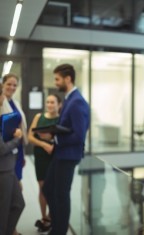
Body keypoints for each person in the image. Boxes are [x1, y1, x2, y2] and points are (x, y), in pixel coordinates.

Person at [42, 64, 90, 235]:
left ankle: (59, 231)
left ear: (68, 79)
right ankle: (57, 226)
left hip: (68, 156)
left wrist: (54, 138)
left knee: (62, 195)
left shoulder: (77, 102)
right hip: (61, 153)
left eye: (57, 79)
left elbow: (78, 136)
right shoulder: (70, 98)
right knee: (48, 189)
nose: (55, 83)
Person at [28, 94, 61, 233]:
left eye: (52, 102)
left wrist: (52, 144)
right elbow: (30, 136)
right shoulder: (38, 117)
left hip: (55, 155)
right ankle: (44, 218)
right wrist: (43, 144)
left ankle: (52, 216)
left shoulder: (61, 119)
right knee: (42, 187)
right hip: (41, 155)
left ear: (59, 104)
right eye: (47, 102)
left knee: (54, 188)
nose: (49, 105)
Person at [0, 82, 25, 235]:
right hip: (2, 170)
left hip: (8, 167)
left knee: (18, 204)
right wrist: (17, 139)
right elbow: (1, 149)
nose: (3, 98)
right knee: (3, 211)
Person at [1, 73, 28, 187]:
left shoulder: (15, 102)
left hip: (18, 147)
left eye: (14, 85)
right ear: (3, 84)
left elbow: (21, 126)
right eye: (9, 84)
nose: (12, 87)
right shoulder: (1, 102)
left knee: (17, 182)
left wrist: (23, 154)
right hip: (6, 149)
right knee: (11, 187)